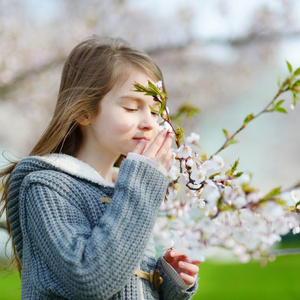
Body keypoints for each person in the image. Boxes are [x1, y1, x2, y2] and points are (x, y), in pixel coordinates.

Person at [0, 35, 199, 299]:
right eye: (131, 107)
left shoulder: (124, 187)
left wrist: (167, 280)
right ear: (84, 112)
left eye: (155, 111)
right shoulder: (47, 187)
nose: (150, 123)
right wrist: (141, 183)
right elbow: (90, 281)